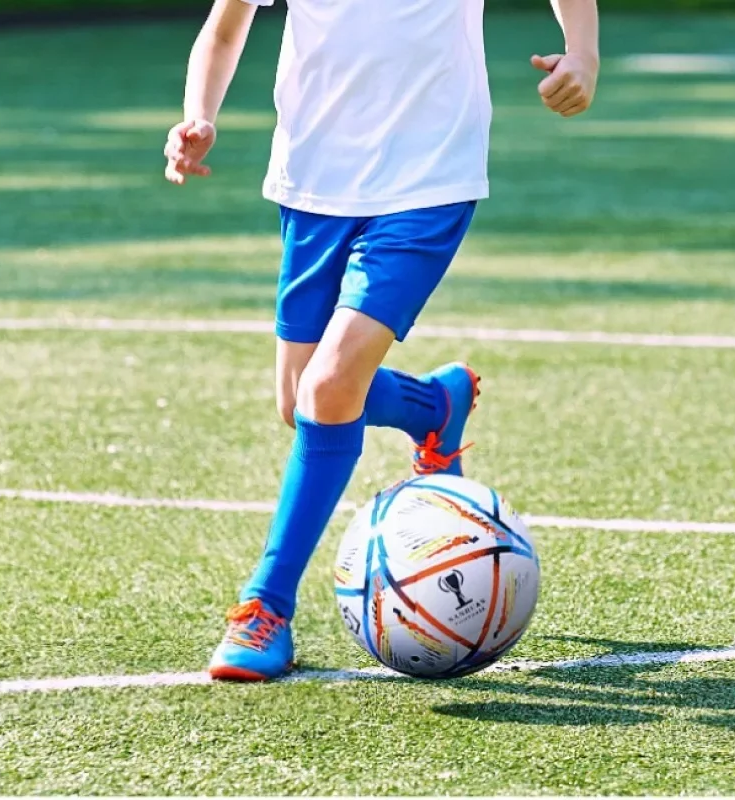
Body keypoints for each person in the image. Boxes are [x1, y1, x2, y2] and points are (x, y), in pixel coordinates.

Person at [164, 0, 599, 681]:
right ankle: (433, 407)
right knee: (298, 400)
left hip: (428, 179)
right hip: (313, 184)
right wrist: (200, 115)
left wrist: (584, 50)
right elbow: (224, 27)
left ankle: (266, 606)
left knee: (331, 386)